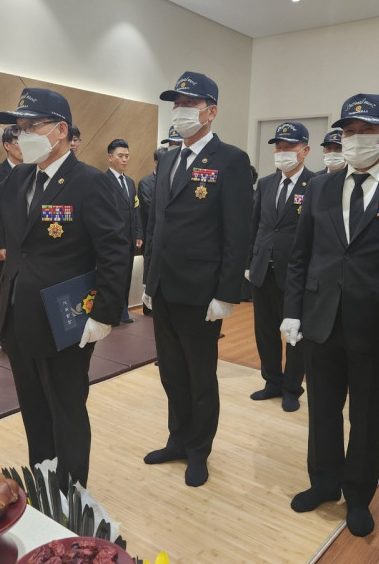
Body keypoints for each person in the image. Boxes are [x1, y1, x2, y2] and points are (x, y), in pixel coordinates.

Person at [281, 94, 379, 536]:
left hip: (376, 325)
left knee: (366, 417)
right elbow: (301, 256)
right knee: (322, 409)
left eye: (366, 131)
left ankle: (359, 495)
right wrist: (292, 311)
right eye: (349, 131)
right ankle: (324, 483)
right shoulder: (320, 186)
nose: (355, 139)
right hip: (321, 320)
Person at [0, 88, 128, 487]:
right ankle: (44, 481)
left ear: (61, 130)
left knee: (66, 409)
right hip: (19, 314)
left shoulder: (89, 182)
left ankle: (72, 493)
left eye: (32, 126)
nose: (23, 135)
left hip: (65, 319)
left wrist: (103, 314)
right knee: (33, 407)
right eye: (19, 128)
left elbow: (115, 251)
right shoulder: (20, 176)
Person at [142, 71, 252, 487]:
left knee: (200, 376)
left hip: (201, 290)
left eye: (189, 104)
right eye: (177, 104)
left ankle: (199, 450)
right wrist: (148, 281)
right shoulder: (170, 158)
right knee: (171, 372)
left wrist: (226, 292)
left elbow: (237, 232)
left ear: (211, 111)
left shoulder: (231, 160)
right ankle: (177, 439)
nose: (180, 111)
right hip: (164, 286)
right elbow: (157, 225)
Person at [246, 122, 315, 412]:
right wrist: (249, 262)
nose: (282, 152)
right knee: (265, 332)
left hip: (296, 275)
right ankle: (272, 381)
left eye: (289, 147)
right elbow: (256, 225)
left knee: (295, 334)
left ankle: (291, 387)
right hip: (264, 270)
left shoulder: (316, 184)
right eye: (279, 147)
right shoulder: (266, 183)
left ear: (305, 150)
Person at [105, 139, 142, 324]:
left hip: (129, 239)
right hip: (112, 240)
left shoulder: (129, 182)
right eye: (120, 156)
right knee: (113, 277)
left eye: (127, 156)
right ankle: (111, 313)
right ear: (110, 157)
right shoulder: (103, 181)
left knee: (127, 276)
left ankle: (123, 311)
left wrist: (138, 233)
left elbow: (135, 210)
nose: (125, 160)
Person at [0, 125, 23, 300]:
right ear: (7, 145)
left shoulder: (35, 171)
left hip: (30, 245)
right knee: (6, 293)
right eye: (19, 142)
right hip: (7, 245)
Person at [137, 149, 162, 316]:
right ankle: (148, 308)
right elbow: (148, 207)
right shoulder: (146, 182)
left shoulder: (170, 180)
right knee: (149, 272)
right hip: (150, 235)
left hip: (166, 237)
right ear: (155, 163)